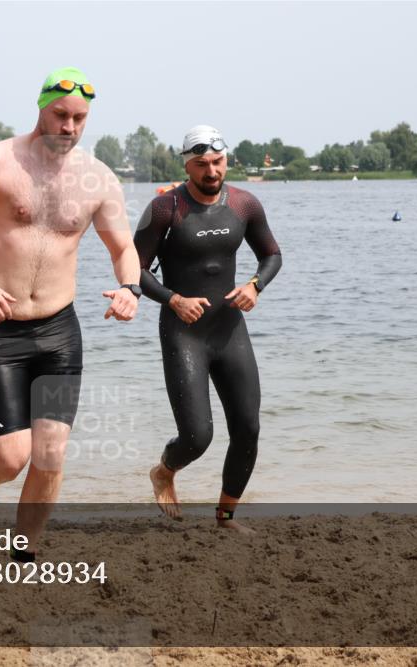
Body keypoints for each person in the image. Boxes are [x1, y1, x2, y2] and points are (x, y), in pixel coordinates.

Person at [0, 67, 140, 560]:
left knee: (50, 455)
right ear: (40, 108)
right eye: (60, 115)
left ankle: (24, 553)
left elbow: (123, 246)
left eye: (79, 118)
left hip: (59, 332)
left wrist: (129, 287)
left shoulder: (99, 180)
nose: (68, 127)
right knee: (11, 458)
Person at [133, 125, 282, 532]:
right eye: (202, 164)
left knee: (248, 429)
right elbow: (136, 271)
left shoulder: (245, 205)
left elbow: (271, 254)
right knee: (198, 437)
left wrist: (255, 285)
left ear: (226, 160)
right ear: (186, 164)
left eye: (217, 162)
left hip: (229, 330)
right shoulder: (165, 209)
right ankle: (164, 471)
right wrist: (173, 300)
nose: (212, 171)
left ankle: (226, 517)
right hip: (185, 333)